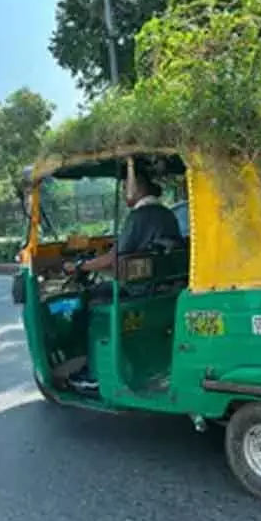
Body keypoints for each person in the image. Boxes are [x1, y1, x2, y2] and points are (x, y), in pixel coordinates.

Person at [61, 167, 181, 391]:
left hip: (141, 288)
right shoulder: (166, 213)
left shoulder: (139, 216)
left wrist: (80, 266)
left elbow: (112, 259)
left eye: (126, 186)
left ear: (138, 187)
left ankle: (93, 371)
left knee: (89, 297)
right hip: (165, 286)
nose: (124, 191)